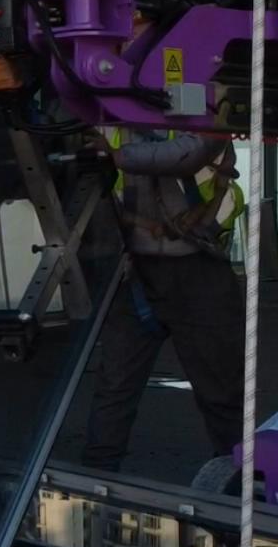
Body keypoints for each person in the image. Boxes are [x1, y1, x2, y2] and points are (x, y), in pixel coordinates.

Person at [80, 124, 246, 471]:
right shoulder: (112, 116)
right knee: (115, 385)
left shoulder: (205, 100)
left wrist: (114, 156)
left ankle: (237, 482)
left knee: (221, 391)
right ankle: (96, 476)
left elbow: (188, 155)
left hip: (198, 268)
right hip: (136, 271)